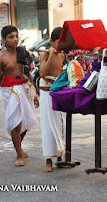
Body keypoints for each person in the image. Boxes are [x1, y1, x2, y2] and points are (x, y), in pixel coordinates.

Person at [0, 25, 39, 167]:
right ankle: (19, 154)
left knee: (25, 121)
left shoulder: (22, 52)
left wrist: (34, 92)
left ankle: (19, 147)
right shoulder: (1, 58)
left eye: (16, 36)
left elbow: (28, 73)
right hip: (9, 91)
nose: (15, 39)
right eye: (11, 37)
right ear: (4, 39)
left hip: (24, 88)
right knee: (15, 123)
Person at [39, 27, 66, 172]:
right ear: (51, 42)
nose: (60, 46)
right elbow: (43, 74)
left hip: (58, 91)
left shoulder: (62, 55)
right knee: (48, 127)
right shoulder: (45, 54)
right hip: (46, 93)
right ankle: (48, 160)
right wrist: (50, 56)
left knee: (61, 124)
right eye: (58, 42)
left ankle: (60, 156)